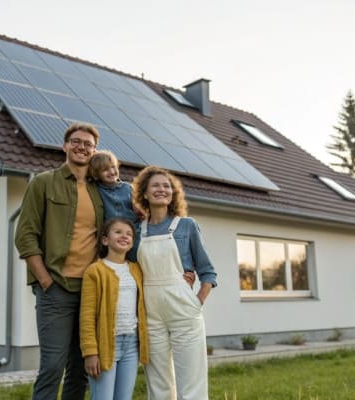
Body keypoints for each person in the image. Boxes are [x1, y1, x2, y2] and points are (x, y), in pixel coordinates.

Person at [15, 122, 104, 400]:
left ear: (94, 150)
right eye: (76, 142)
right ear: (64, 146)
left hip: (90, 290)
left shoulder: (100, 189)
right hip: (56, 288)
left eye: (87, 144)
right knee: (53, 365)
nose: (81, 147)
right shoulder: (43, 182)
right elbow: (25, 236)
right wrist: (45, 280)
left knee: (80, 368)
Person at [132, 166, 217, 400]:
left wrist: (196, 301)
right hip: (151, 312)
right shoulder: (137, 230)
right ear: (145, 194)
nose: (162, 189)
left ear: (173, 194)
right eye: (156, 186)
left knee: (191, 381)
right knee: (157, 381)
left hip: (184, 309)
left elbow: (208, 271)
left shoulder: (186, 226)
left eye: (166, 186)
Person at [80, 218, 149, 400]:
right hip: (105, 345)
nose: (124, 236)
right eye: (118, 232)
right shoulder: (95, 271)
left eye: (129, 234)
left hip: (132, 345)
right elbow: (86, 316)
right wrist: (90, 353)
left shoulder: (137, 270)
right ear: (105, 240)